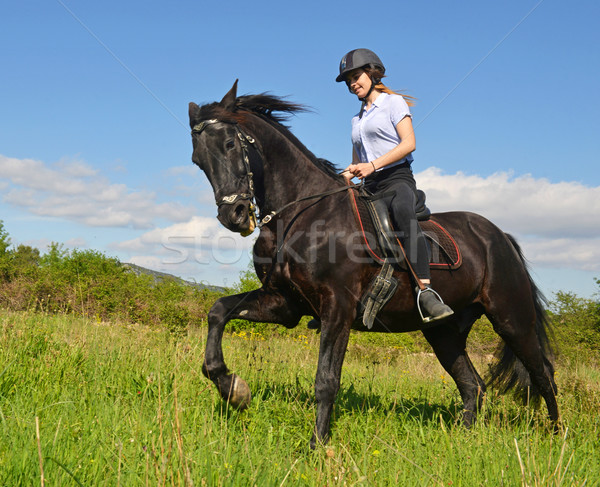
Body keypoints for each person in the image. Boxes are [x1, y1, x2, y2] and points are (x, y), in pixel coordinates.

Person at [337, 48, 453, 323]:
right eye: (349, 80)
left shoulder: (393, 103)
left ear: (372, 73)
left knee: (402, 211)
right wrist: (348, 173)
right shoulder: (356, 120)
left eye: (356, 76)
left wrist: (373, 165)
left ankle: (426, 291)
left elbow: (409, 144)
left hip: (397, 179)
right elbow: (358, 161)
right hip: (370, 184)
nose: (353, 83)